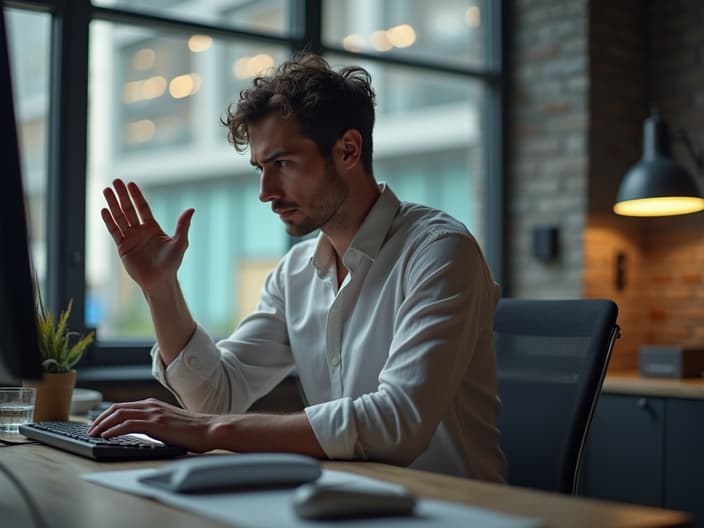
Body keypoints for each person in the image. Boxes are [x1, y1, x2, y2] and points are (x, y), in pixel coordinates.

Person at [89, 53, 506, 482]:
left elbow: (396, 424)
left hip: (455, 508)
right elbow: (215, 395)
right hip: (341, 503)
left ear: (347, 150)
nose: (265, 192)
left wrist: (212, 430)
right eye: (260, 169)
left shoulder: (439, 252)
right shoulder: (295, 275)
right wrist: (160, 288)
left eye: (282, 164)